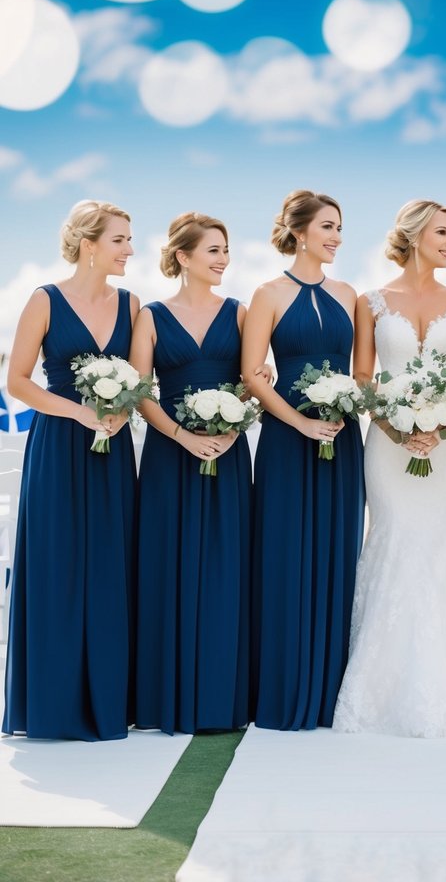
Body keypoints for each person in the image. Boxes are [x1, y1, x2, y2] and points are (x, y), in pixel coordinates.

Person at [333, 200, 446, 737]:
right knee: (393, 538)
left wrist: (441, 425)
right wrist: (394, 426)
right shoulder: (370, 302)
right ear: (413, 235)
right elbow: (362, 376)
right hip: (386, 446)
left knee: (444, 540)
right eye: (443, 232)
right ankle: (379, 691)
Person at [3, 200, 138, 740]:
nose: (130, 250)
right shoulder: (44, 300)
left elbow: (144, 375)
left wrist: (120, 412)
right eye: (120, 240)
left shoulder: (132, 306)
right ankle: (52, 707)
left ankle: (109, 704)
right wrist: (83, 413)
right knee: (56, 568)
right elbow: (18, 381)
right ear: (89, 246)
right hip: (58, 445)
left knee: (110, 568)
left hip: (113, 448)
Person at [242, 190, 364, 730]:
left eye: (339, 228)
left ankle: (333, 692)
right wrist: (300, 422)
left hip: (343, 441)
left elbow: (361, 375)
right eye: (328, 227)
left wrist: (345, 412)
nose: (336, 237)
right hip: (287, 443)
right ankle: (285, 687)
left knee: (337, 555)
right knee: (285, 557)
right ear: (299, 232)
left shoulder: (348, 293)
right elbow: (251, 375)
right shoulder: (267, 294)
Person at [131, 213, 251, 734]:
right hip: (169, 457)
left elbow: (251, 383)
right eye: (214, 251)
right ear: (183, 257)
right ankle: (165, 700)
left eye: (226, 250)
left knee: (228, 569)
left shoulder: (242, 313)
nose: (224, 259)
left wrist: (229, 430)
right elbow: (139, 392)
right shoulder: (151, 317)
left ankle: (225, 700)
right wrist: (183, 437)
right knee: (168, 567)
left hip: (227, 453)